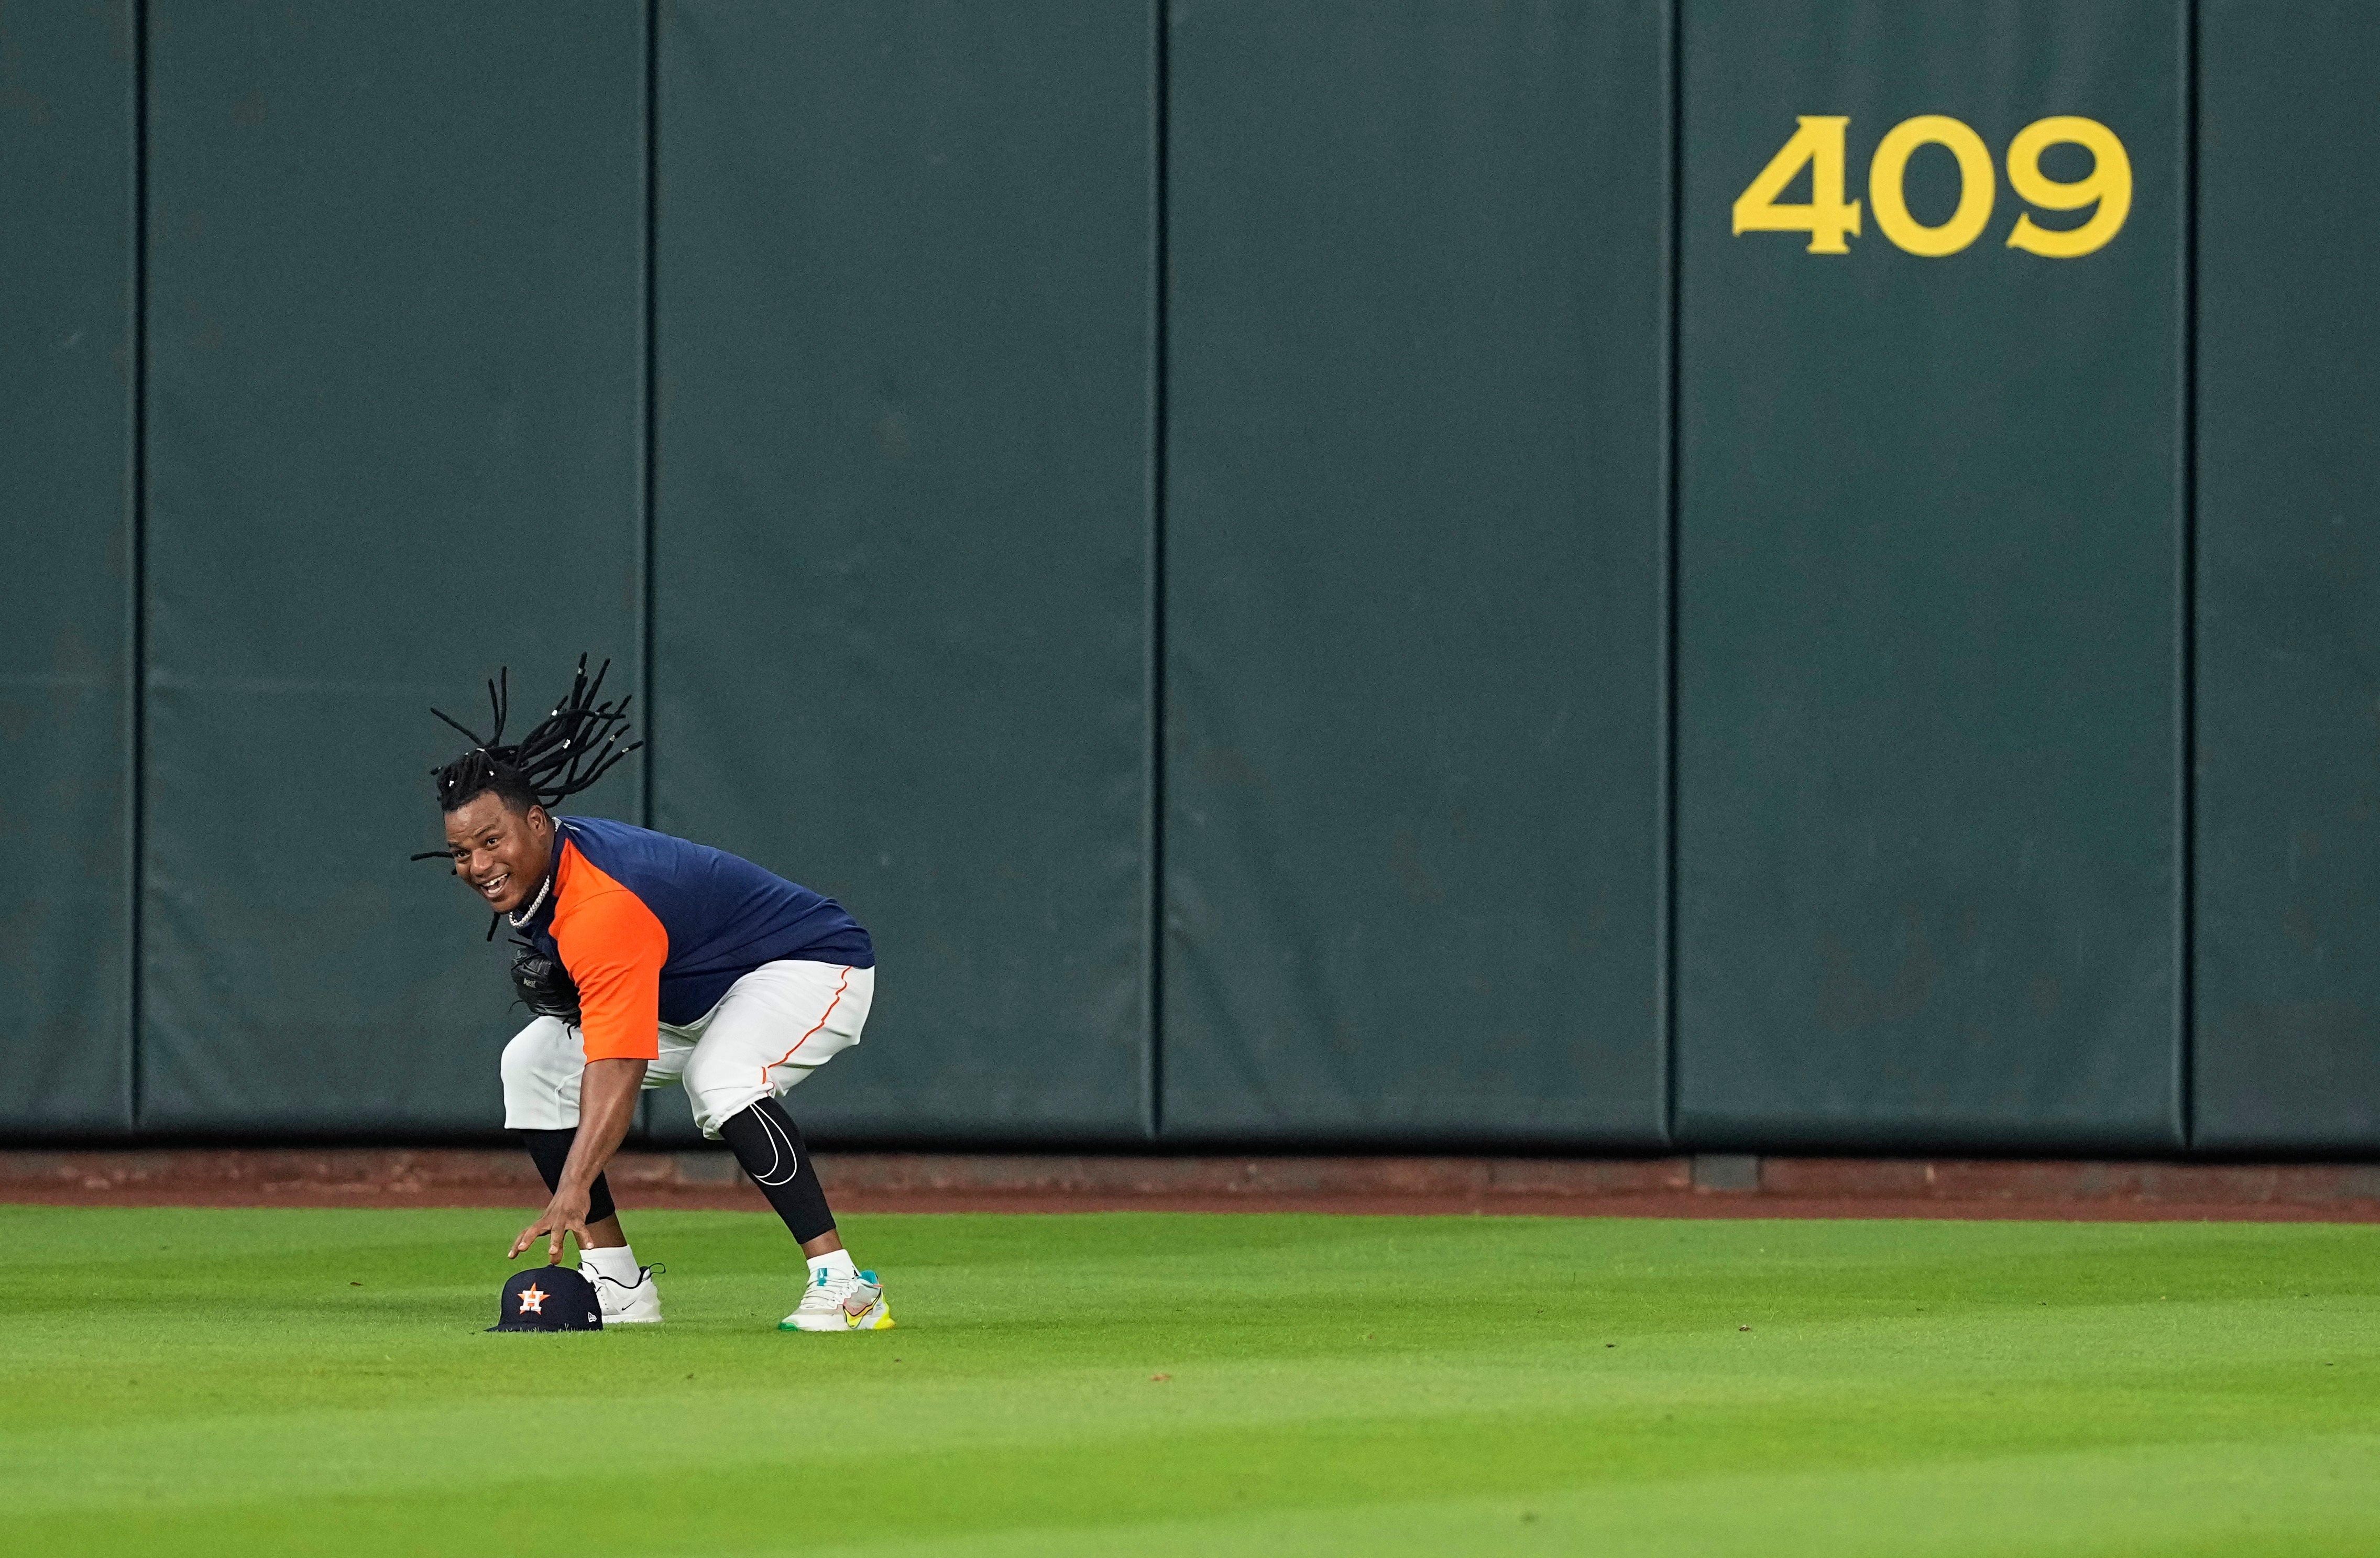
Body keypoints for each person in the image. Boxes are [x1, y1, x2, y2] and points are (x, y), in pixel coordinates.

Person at [416, 659, 890, 1332]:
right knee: (534, 1065)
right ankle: (615, 1280)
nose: (479, 865)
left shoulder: (599, 905)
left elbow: (620, 1060)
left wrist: (574, 1185)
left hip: (810, 965)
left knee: (721, 1076)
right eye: (462, 853)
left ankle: (846, 1287)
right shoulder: (552, 879)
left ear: (540, 823)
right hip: (699, 995)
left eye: (493, 840)